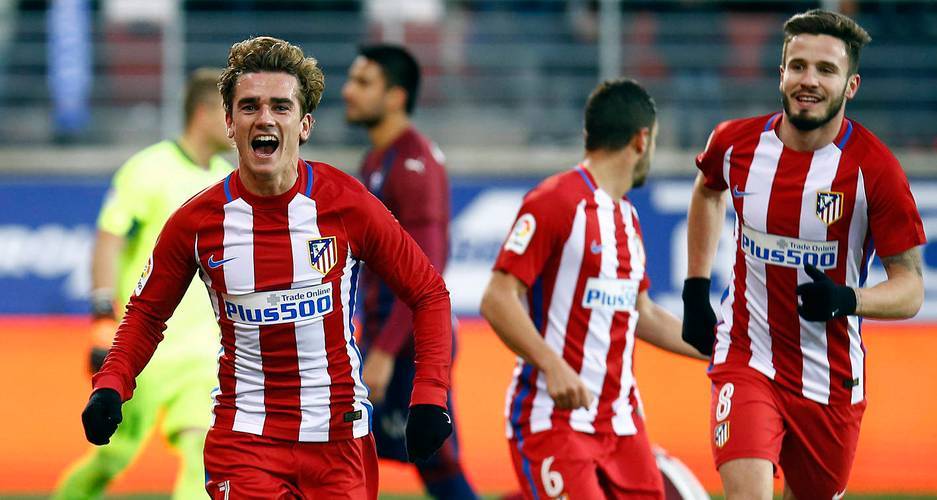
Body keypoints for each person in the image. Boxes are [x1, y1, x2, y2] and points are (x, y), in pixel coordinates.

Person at [79, 36, 454, 499]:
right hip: (245, 440)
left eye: (280, 106)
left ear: (304, 124)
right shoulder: (196, 222)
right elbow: (146, 313)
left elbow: (428, 292)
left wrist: (430, 396)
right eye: (250, 106)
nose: (265, 118)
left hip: (339, 439)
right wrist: (111, 385)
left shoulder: (348, 205)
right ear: (230, 123)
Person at [681, 9, 926, 499]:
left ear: (851, 86)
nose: (808, 80)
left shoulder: (875, 170)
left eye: (825, 70)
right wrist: (695, 289)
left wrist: (848, 299)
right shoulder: (735, 144)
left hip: (830, 379)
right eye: (798, 66)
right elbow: (708, 190)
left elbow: (911, 289)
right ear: (781, 74)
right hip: (747, 357)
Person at [481, 78, 707, 500]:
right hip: (555, 421)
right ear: (642, 140)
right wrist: (552, 365)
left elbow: (642, 313)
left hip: (622, 426)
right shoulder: (556, 201)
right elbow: (497, 298)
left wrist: (722, 349)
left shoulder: (628, 218)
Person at [53, 68, 233, 500]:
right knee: (112, 457)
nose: (236, 124)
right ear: (203, 112)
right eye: (228, 112)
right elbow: (109, 240)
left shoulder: (229, 179)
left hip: (205, 354)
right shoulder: (149, 169)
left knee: (203, 454)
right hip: (146, 348)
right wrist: (103, 318)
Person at [342, 44, 478, 499]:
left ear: (396, 96)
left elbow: (428, 269)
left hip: (408, 344)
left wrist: (384, 350)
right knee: (363, 450)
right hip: (387, 337)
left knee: (430, 457)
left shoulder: (413, 164)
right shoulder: (376, 160)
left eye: (363, 82)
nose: (348, 91)